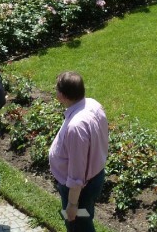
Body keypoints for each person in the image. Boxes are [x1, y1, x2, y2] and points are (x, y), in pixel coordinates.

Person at [49, 71, 109, 232]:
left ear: (62, 95)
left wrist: (72, 204)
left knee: (77, 225)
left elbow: (76, 173)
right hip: (95, 177)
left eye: (56, 89)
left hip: (80, 189)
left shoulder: (76, 127)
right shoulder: (92, 104)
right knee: (85, 217)